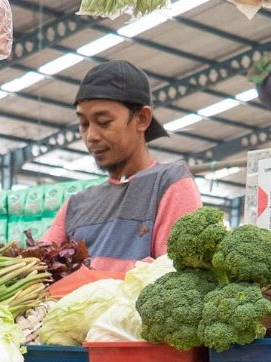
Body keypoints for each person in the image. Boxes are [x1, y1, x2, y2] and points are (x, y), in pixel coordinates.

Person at [41, 59, 205, 274]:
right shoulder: (77, 205)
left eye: (104, 122)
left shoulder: (169, 183)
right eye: (83, 124)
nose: (91, 136)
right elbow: (39, 268)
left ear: (142, 119)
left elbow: (181, 279)